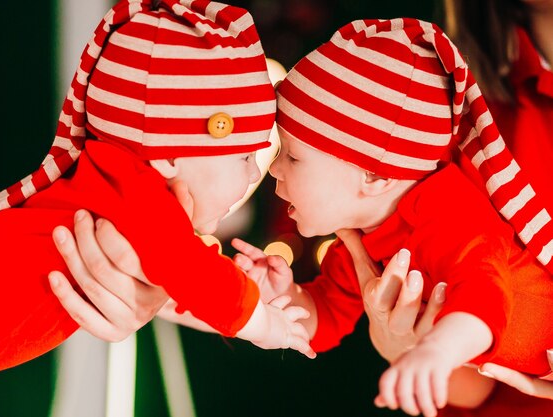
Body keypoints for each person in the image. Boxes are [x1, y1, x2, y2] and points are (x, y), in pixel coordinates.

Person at [0, 0, 316, 392]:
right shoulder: (137, 193)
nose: (254, 172)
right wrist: (263, 325)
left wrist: (233, 289)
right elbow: (185, 267)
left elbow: (179, 278)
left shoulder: (122, 191)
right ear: (167, 155)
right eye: (245, 156)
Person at [229, 17, 553, 417]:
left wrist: (436, 349)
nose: (274, 171)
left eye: (293, 157)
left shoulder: (448, 211)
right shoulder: (360, 241)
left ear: (376, 174)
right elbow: (327, 318)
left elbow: (485, 296)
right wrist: (283, 296)